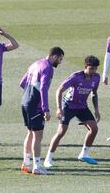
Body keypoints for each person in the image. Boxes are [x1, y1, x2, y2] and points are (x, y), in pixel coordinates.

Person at [44, 55, 101, 168]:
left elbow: (94, 93)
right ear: (85, 66)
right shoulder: (76, 77)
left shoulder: (96, 77)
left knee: (94, 129)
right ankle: (48, 159)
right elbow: (59, 90)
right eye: (91, 68)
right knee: (61, 132)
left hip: (82, 107)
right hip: (68, 106)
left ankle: (84, 154)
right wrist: (59, 108)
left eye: (95, 68)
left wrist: (96, 110)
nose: (93, 71)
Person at [20, 47, 64, 175]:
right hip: (35, 105)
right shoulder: (48, 68)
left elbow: (22, 83)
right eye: (60, 59)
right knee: (38, 135)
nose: (60, 62)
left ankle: (26, 163)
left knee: (30, 133)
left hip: (25, 102)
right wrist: (45, 109)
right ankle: (37, 166)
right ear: (54, 56)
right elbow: (43, 89)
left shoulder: (35, 64)